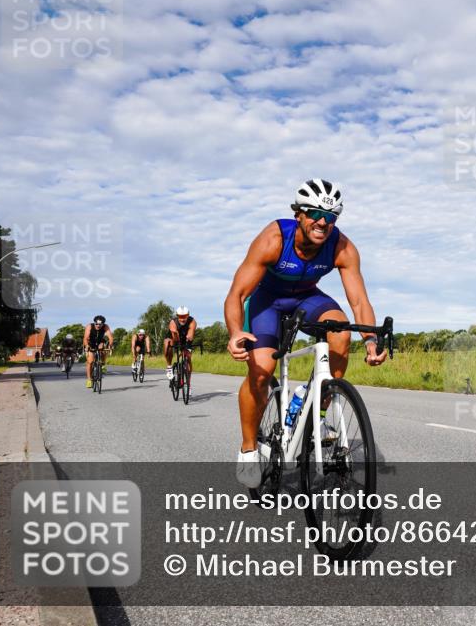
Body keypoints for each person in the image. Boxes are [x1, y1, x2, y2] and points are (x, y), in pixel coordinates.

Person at [224, 179, 386, 488]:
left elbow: (359, 301)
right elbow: (237, 294)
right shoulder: (274, 238)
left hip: (308, 297)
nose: (323, 223)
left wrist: (370, 341)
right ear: (298, 213)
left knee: (340, 332)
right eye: (315, 213)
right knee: (262, 370)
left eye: (331, 216)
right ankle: (248, 449)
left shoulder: (342, 247)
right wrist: (235, 332)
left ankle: (318, 412)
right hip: (267, 301)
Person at [164, 307, 197, 382]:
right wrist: (176, 334)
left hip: (185, 337)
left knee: (188, 357)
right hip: (173, 337)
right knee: (167, 344)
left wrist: (187, 343)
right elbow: (176, 339)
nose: (182, 319)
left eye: (184, 316)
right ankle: (169, 367)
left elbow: (191, 335)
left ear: (188, 315)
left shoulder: (192, 321)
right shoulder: (173, 323)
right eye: (180, 316)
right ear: (177, 316)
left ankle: (188, 382)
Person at [83, 316, 113, 388]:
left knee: (103, 348)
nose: (98, 326)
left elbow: (110, 337)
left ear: (103, 324)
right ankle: (89, 379)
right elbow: (85, 338)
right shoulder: (89, 326)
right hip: (90, 343)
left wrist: (110, 345)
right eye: (96, 324)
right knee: (90, 361)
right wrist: (87, 346)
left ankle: (103, 364)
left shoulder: (106, 327)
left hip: (100, 342)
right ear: (94, 323)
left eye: (100, 324)